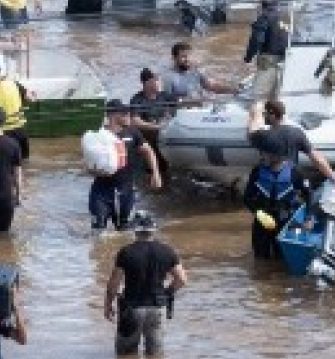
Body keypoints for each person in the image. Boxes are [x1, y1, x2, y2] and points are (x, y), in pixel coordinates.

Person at [103, 211, 187, 356]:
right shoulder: (167, 251)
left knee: (125, 357)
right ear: (153, 229)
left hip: (131, 308)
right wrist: (166, 293)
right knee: (155, 357)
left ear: (135, 229)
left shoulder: (126, 252)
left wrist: (108, 305)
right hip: (157, 308)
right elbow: (182, 280)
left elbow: (113, 285)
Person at [89, 99, 162, 231]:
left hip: (126, 190)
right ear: (113, 115)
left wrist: (155, 173)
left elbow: (148, 151)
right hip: (101, 191)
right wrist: (93, 170)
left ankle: (138, 220)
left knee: (124, 231)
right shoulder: (99, 135)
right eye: (125, 113)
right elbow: (89, 163)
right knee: (98, 231)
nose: (128, 115)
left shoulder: (132, 132)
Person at [242, 130, 311, 259]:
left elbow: (309, 196)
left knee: (282, 260)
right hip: (262, 223)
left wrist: (307, 220)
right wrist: (258, 213)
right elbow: (247, 198)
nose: (262, 156)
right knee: (260, 260)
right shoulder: (257, 172)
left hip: (285, 223)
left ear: (277, 155)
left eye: (265, 153)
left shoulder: (294, 173)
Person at [247, 100, 335, 182]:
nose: (264, 116)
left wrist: (257, 108)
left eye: (265, 114)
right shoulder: (297, 133)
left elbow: (253, 125)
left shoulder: (262, 135)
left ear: (272, 115)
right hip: (288, 183)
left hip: (267, 184)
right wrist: (332, 176)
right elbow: (316, 158)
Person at [0, 56, 32, 159]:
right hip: (20, 131)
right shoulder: (13, 83)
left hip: (1, 134)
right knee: (23, 162)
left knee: (5, 165)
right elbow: (30, 98)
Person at [129, 68, 175, 177]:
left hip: (164, 141)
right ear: (147, 83)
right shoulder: (137, 100)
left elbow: (181, 106)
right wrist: (157, 127)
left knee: (165, 173)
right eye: (157, 79)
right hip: (147, 143)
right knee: (149, 175)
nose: (160, 82)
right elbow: (136, 122)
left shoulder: (165, 96)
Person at [164, 42, 237, 105]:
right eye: (183, 56)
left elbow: (210, 86)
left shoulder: (196, 70)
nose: (187, 59)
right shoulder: (168, 77)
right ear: (174, 58)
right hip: (183, 113)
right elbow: (167, 101)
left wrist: (231, 90)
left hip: (201, 108)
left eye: (189, 56)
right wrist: (190, 101)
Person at [243, 0, 289, 102]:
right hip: (282, 63)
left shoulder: (264, 18)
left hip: (267, 63)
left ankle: (257, 115)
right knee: (274, 96)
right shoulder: (283, 19)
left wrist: (248, 59)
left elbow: (256, 39)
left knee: (257, 96)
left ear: (262, 6)